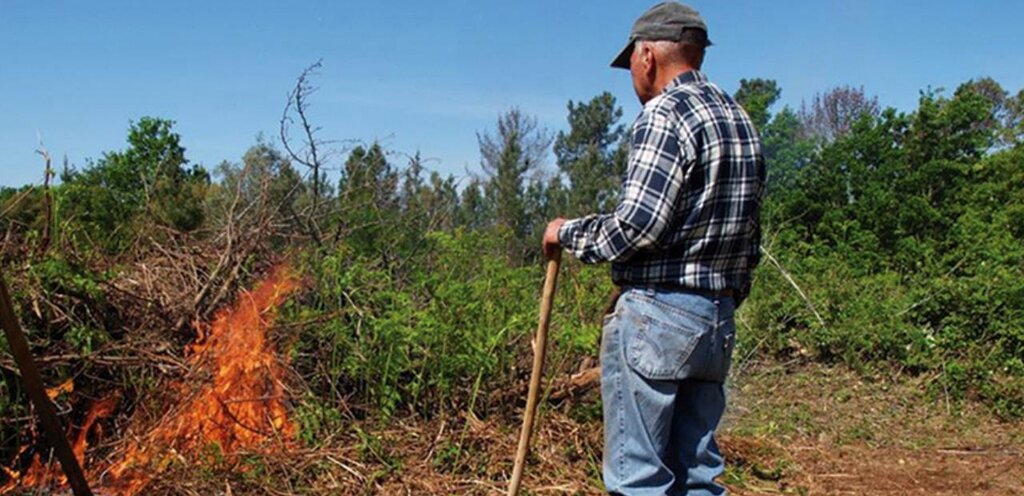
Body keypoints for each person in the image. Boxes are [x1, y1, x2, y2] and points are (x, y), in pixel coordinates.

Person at [542, 2, 765, 494]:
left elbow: (639, 226)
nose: (633, 78)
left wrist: (568, 232)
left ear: (646, 56)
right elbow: (751, 239)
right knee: (699, 476)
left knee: (638, 477)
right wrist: (721, 303)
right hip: (717, 318)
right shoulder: (739, 118)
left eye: (632, 67)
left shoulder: (663, 115)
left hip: (658, 317)